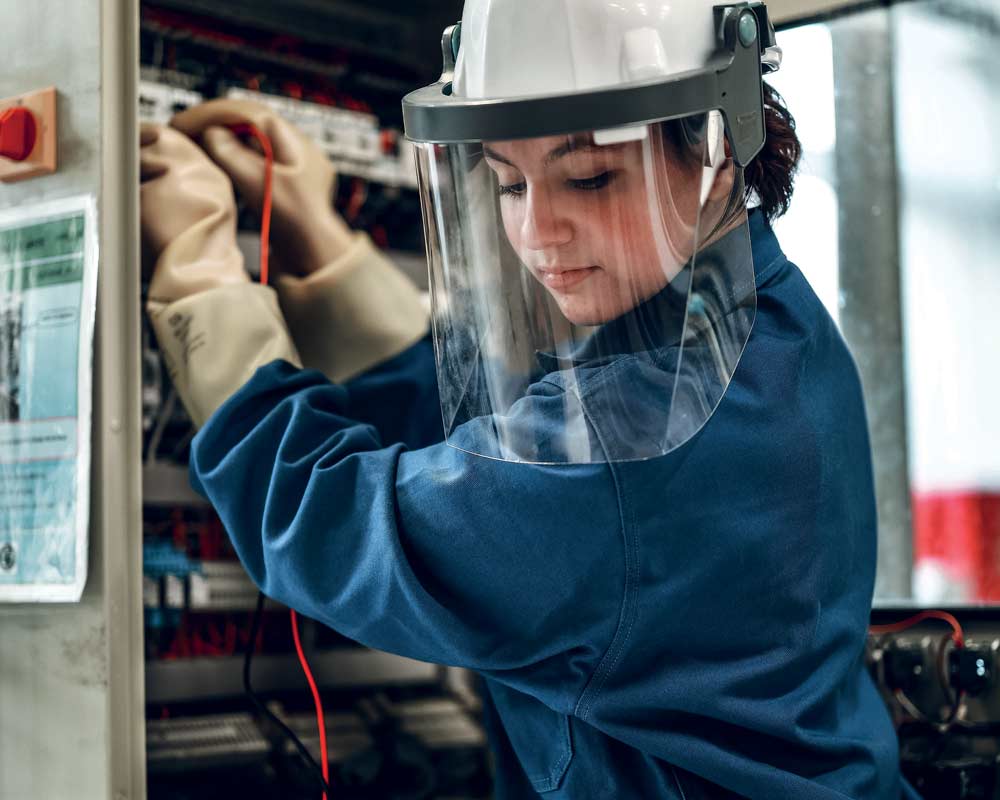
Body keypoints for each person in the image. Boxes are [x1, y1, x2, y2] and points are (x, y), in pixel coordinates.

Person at [140, 0, 918, 796]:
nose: (540, 230)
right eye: (508, 183)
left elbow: (332, 524)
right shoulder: (759, 325)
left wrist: (202, 285)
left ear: (719, 150)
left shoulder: (651, 435)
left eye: (588, 177)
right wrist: (319, 240)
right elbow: (502, 455)